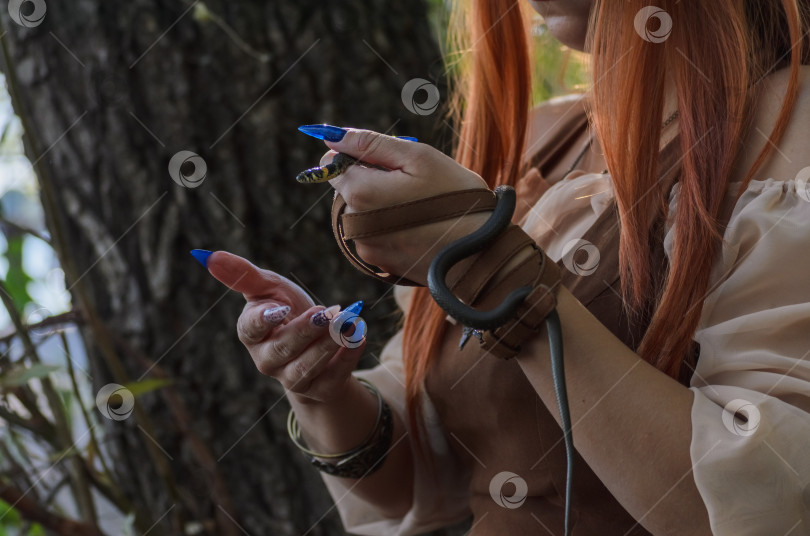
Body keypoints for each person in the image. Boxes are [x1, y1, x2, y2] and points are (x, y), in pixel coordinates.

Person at [202, 0, 810, 534]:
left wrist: (492, 266)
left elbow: (758, 509)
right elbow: (424, 475)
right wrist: (322, 390)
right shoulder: (538, 139)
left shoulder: (795, 129)